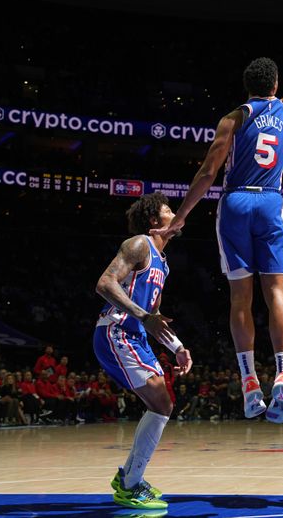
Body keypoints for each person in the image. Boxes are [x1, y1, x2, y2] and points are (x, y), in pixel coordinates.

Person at [152, 55, 283, 423]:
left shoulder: (232, 118)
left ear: (246, 86)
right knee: (276, 293)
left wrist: (181, 217)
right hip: (270, 201)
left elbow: (207, 172)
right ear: (276, 84)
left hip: (235, 201)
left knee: (241, 297)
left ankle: (250, 382)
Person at [94, 192, 192, 510]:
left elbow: (155, 319)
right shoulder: (138, 244)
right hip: (116, 331)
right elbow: (105, 283)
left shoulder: (163, 265)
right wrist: (143, 316)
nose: (175, 214)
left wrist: (178, 348)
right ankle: (130, 483)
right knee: (161, 401)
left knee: (163, 404)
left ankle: (129, 478)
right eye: (168, 210)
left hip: (136, 336)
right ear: (154, 221)